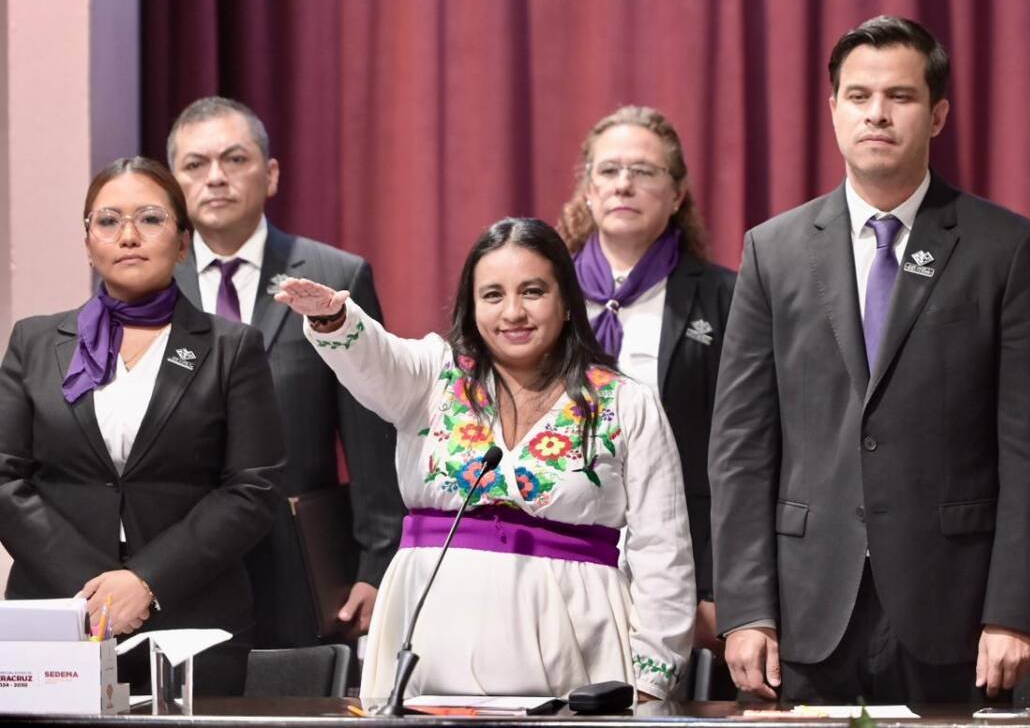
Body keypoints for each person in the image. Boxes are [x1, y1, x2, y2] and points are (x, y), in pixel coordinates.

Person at [708, 15, 1030, 703]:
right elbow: (741, 445)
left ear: (937, 115)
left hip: (956, 609)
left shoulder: (1005, 248)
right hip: (805, 608)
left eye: (900, 96)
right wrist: (746, 608)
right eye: (859, 96)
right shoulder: (773, 250)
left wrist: (1014, 609)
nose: (876, 113)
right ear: (833, 110)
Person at [275, 217, 695, 700]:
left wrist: (651, 679)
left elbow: (663, 549)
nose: (513, 312)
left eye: (533, 291)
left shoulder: (625, 403)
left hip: (582, 646)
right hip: (433, 641)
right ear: (471, 308)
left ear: (566, 302)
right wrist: (335, 320)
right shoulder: (432, 377)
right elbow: (378, 357)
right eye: (493, 295)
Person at [0, 157, 284, 694]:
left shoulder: (231, 347)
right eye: (108, 221)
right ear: (88, 243)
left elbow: (253, 489)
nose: (128, 236)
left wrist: (146, 581)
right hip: (60, 614)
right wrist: (95, 592)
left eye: (150, 219)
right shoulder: (33, 343)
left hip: (193, 614)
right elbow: (5, 480)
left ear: (183, 243)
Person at [167, 96, 403, 648]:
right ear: (174, 185)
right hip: (179, 563)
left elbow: (371, 434)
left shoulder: (333, 276)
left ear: (270, 175)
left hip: (300, 563)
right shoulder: (151, 287)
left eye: (235, 159)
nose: (215, 177)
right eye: (195, 165)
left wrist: (378, 565)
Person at [557, 105, 736, 651]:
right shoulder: (544, 294)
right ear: (589, 191)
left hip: (683, 565)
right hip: (561, 560)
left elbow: (742, 453)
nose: (624, 184)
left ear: (677, 194)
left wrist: (717, 585)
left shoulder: (725, 296)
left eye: (644, 171)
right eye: (609, 171)